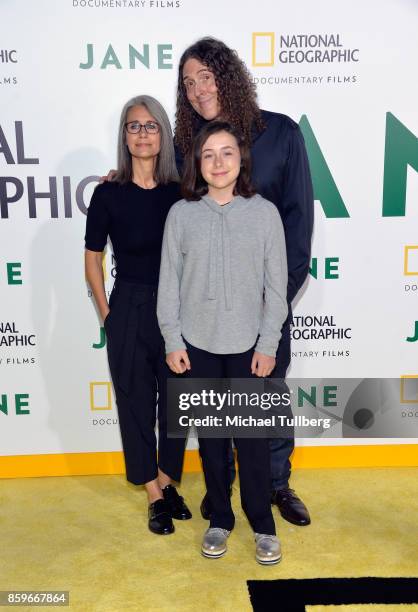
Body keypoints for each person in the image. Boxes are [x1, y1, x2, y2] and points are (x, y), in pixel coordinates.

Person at [175, 37, 314, 526]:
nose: (196, 90)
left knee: (267, 396)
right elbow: (173, 214)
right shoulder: (186, 144)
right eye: (188, 83)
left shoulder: (281, 134)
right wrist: (120, 177)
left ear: (227, 76)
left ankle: (276, 484)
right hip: (209, 314)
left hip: (263, 307)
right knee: (217, 411)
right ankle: (222, 494)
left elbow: (298, 227)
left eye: (205, 77)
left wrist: (270, 306)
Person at [157, 121, 288, 564]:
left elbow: (277, 288)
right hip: (198, 346)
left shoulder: (265, 214)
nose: (218, 162)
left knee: (251, 441)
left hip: (249, 348)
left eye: (227, 152)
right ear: (197, 162)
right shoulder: (181, 215)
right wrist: (174, 340)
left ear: (241, 159)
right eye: (208, 154)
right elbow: (168, 286)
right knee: (212, 440)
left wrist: (268, 344)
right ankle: (220, 520)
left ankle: (263, 526)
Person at [85, 95, 191, 536]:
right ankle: (152, 493)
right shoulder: (107, 192)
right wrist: (109, 316)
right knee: (134, 404)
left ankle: (168, 482)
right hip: (127, 306)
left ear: (163, 134)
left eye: (151, 126)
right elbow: (92, 259)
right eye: (134, 126)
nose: (143, 133)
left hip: (176, 313)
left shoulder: (182, 191)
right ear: (124, 136)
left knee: (177, 404)